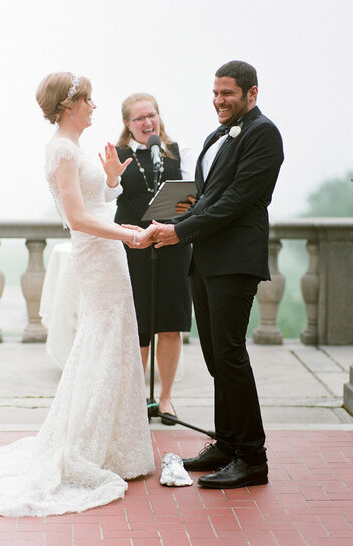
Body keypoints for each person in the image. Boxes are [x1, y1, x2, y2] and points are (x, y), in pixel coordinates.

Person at [0, 72, 155, 517]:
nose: (94, 107)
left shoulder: (76, 149)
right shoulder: (61, 150)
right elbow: (78, 219)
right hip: (97, 253)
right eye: (89, 100)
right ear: (69, 106)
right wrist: (126, 234)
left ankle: (116, 445)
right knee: (103, 340)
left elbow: (98, 202)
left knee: (115, 340)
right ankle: (87, 446)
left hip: (108, 251)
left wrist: (111, 180)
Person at [152, 61, 284, 488]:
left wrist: (180, 230)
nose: (219, 100)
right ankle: (226, 444)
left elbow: (237, 200)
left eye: (227, 93)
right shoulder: (219, 136)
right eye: (215, 92)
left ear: (252, 93)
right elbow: (209, 196)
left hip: (234, 261)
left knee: (229, 356)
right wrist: (165, 219)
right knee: (215, 359)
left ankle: (253, 458)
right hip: (206, 260)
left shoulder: (263, 133)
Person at [115, 93, 194, 424]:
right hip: (134, 247)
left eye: (152, 115)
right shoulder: (118, 155)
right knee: (140, 325)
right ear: (128, 125)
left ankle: (165, 398)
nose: (148, 122)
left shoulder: (179, 153)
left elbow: (193, 196)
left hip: (173, 244)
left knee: (171, 324)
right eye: (139, 118)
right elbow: (109, 196)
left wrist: (173, 226)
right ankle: (137, 397)